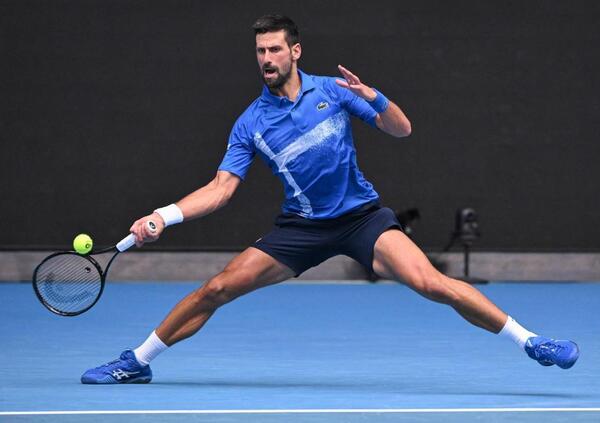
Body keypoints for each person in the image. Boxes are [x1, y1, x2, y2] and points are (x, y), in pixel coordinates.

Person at [81, 15, 579, 384]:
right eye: (259, 52)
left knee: (433, 283)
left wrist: (374, 96)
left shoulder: (335, 92)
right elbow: (220, 189)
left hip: (361, 219)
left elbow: (401, 129)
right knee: (217, 289)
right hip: (300, 229)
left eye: (275, 49)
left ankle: (531, 340)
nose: (266, 59)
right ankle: (137, 361)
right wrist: (164, 216)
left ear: (295, 51)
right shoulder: (250, 123)